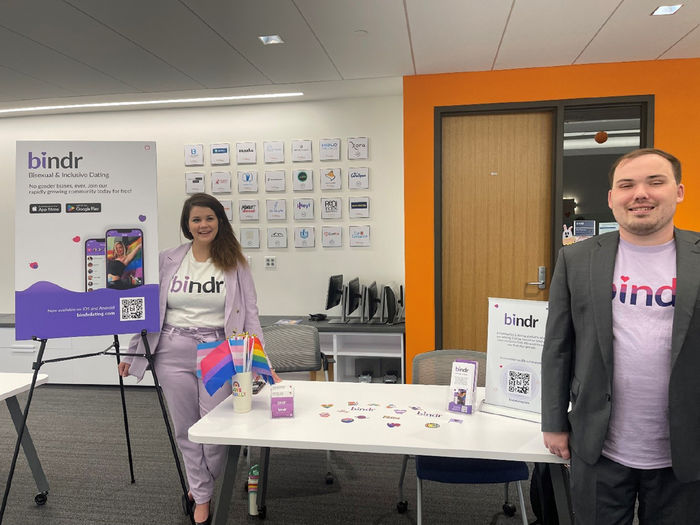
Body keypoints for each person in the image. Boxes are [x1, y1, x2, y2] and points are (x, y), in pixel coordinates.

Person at [541, 148, 700, 523]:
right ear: (612, 199)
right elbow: (558, 346)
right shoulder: (576, 260)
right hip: (599, 446)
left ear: (678, 191)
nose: (640, 193)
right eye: (626, 185)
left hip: (686, 447)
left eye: (655, 182)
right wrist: (553, 422)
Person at [118, 193, 264, 525]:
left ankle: (202, 487)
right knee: (185, 428)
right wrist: (131, 352)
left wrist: (257, 361)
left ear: (220, 221)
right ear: (187, 224)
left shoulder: (236, 263)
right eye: (196, 219)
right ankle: (201, 495)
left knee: (214, 430)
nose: (203, 225)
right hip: (171, 349)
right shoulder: (167, 259)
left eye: (209, 218)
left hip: (217, 350)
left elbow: (251, 315)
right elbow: (144, 310)